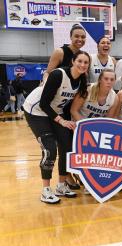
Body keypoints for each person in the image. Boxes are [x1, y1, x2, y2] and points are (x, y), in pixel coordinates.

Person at [22, 51, 90, 204]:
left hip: (54, 112)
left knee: (66, 145)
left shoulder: (81, 80)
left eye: (86, 62)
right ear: (73, 61)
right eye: (80, 61)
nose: (83, 65)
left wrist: (71, 122)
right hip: (36, 111)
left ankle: (61, 185)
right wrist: (62, 121)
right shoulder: (58, 75)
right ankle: (46, 190)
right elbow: (43, 104)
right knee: (50, 148)